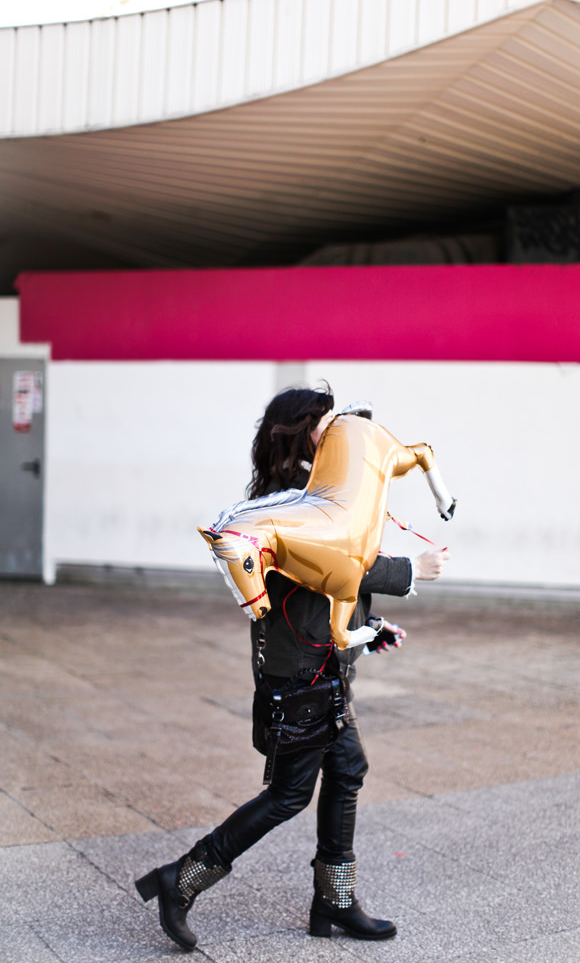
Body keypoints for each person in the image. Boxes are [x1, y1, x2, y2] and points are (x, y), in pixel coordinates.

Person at [135, 385, 449, 951]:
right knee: (288, 794)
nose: (337, 430)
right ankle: (179, 883)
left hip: (320, 664)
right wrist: (410, 571)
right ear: (300, 433)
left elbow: (333, 583)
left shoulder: (322, 490)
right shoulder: (288, 500)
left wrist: (371, 633)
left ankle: (335, 898)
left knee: (348, 768)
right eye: (324, 422)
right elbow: (350, 563)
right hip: (300, 674)